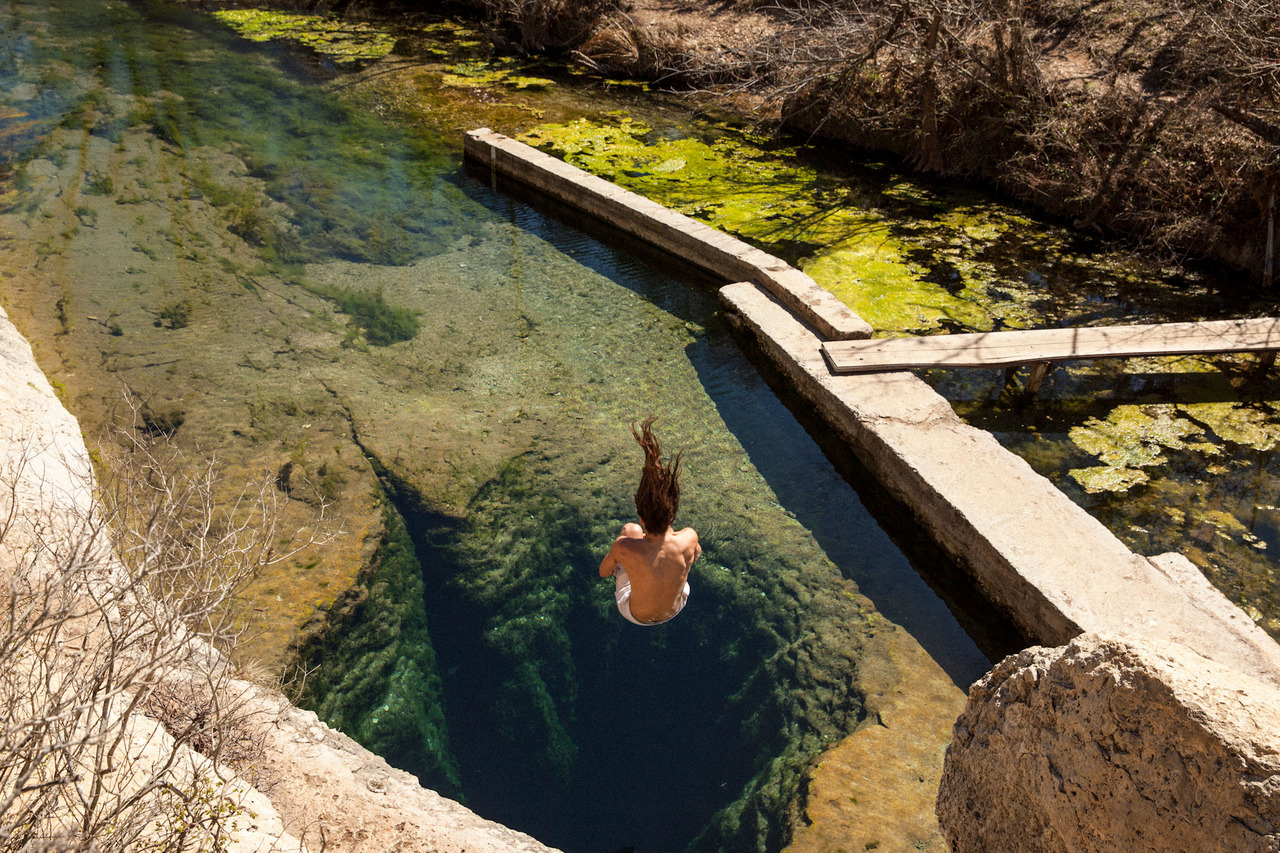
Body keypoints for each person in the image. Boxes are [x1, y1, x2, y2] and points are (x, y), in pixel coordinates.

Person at [598, 417, 701, 626]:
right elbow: (696, 555)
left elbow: (604, 573)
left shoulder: (624, 547)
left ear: (642, 518)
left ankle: (643, 543)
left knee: (631, 530)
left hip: (636, 615)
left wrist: (636, 556)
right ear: (671, 516)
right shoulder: (689, 537)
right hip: (676, 608)